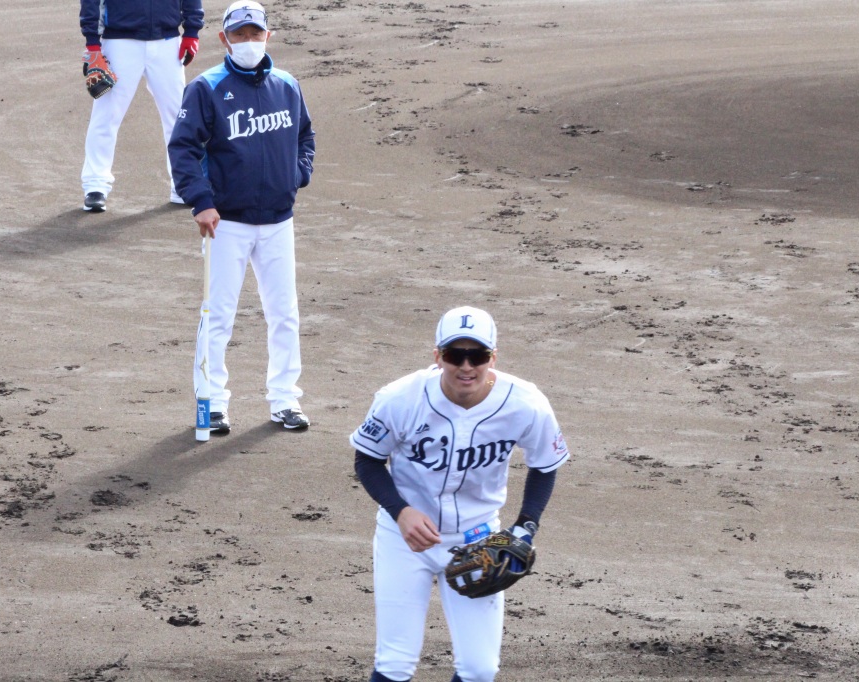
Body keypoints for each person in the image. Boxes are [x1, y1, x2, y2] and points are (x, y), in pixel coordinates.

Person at [349, 306, 570, 682]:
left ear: (493, 358)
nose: (466, 366)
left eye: (477, 356)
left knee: (480, 670)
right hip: (404, 540)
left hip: (478, 539)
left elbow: (545, 465)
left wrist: (525, 526)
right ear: (437, 357)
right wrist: (400, 511)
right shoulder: (400, 398)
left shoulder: (525, 403)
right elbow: (367, 460)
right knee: (395, 661)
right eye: (455, 355)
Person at [169, 0, 316, 434]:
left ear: (267, 36)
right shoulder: (206, 88)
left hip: (278, 220)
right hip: (226, 222)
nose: (249, 41)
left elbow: (305, 136)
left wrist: (296, 175)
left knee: (284, 314)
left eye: (255, 33)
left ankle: (285, 400)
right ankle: (212, 404)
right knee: (217, 315)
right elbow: (183, 148)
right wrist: (201, 201)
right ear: (224, 39)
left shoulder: (287, 85)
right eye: (240, 34)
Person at [79, 0, 204, 212]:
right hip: (119, 41)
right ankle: (95, 186)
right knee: (106, 115)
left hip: (167, 42)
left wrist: (192, 30)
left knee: (178, 117)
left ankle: (182, 184)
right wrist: (92, 43)